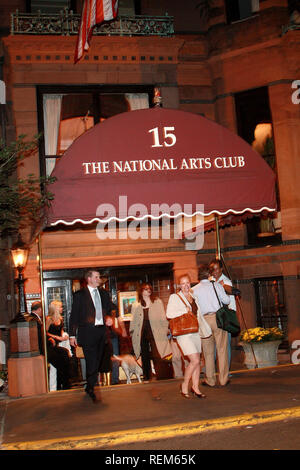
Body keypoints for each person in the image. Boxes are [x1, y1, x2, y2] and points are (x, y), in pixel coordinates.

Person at [69, 269, 113, 402]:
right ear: (89, 279)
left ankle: (89, 385)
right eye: (96, 277)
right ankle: (92, 388)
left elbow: (110, 308)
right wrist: (72, 335)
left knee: (97, 361)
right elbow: (74, 316)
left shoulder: (104, 294)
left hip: (101, 332)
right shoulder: (80, 295)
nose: (99, 279)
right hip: (87, 332)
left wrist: (110, 317)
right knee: (91, 361)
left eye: (99, 277)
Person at [166, 274, 211, 399]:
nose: (185, 285)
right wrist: (184, 310)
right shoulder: (174, 297)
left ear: (190, 284)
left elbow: (198, 315)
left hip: (195, 331)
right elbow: (169, 314)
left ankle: (195, 388)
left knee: (197, 362)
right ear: (179, 285)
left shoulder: (193, 296)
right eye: (183, 283)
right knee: (195, 360)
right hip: (183, 333)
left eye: (187, 283)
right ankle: (185, 384)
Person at [192, 264, 231, 387]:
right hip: (218, 318)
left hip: (204, 321)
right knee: (222, 349)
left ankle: (210, 380)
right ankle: (223, 379)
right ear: (209, 274)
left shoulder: (195, 289)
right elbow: (227, 301)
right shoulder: (216, 285)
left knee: (208, 352)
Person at [129, 283, 171, 383]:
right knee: (144, 355)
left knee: (158, 353)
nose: (148, 290)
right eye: (145, 289)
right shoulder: (136, 305)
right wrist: (132, 333)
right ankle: (147, 377)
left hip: (155, 332)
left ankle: (162, 375)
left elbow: (162, 317)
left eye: (149, 288)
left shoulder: (157, 302)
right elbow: (133, 321)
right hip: (142, 333)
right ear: (141, 291)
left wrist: (165, 330)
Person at [209, 258, 237, 371]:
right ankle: (212, 370)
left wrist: (232, 314)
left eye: (216, 269)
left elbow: (231, 301)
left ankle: (225, 371)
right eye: (212, 269)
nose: (215, 272)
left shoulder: (226, 282)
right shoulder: (209, 280)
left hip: (224, 316)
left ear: (221, 269)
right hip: (212, 316)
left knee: (225, 346)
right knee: (213, 345)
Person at [46, 300, 72, 390]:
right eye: (60, 307)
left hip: (57, 345)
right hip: (50, 346)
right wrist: (57, 338)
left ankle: (65, 384)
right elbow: (45, 333)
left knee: (65, 355)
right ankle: (61, 385)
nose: (62, 308)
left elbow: (61, 331)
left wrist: (63, 336)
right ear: (56, 308)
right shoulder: (49, 319)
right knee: (62, 361)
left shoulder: (60, 319)